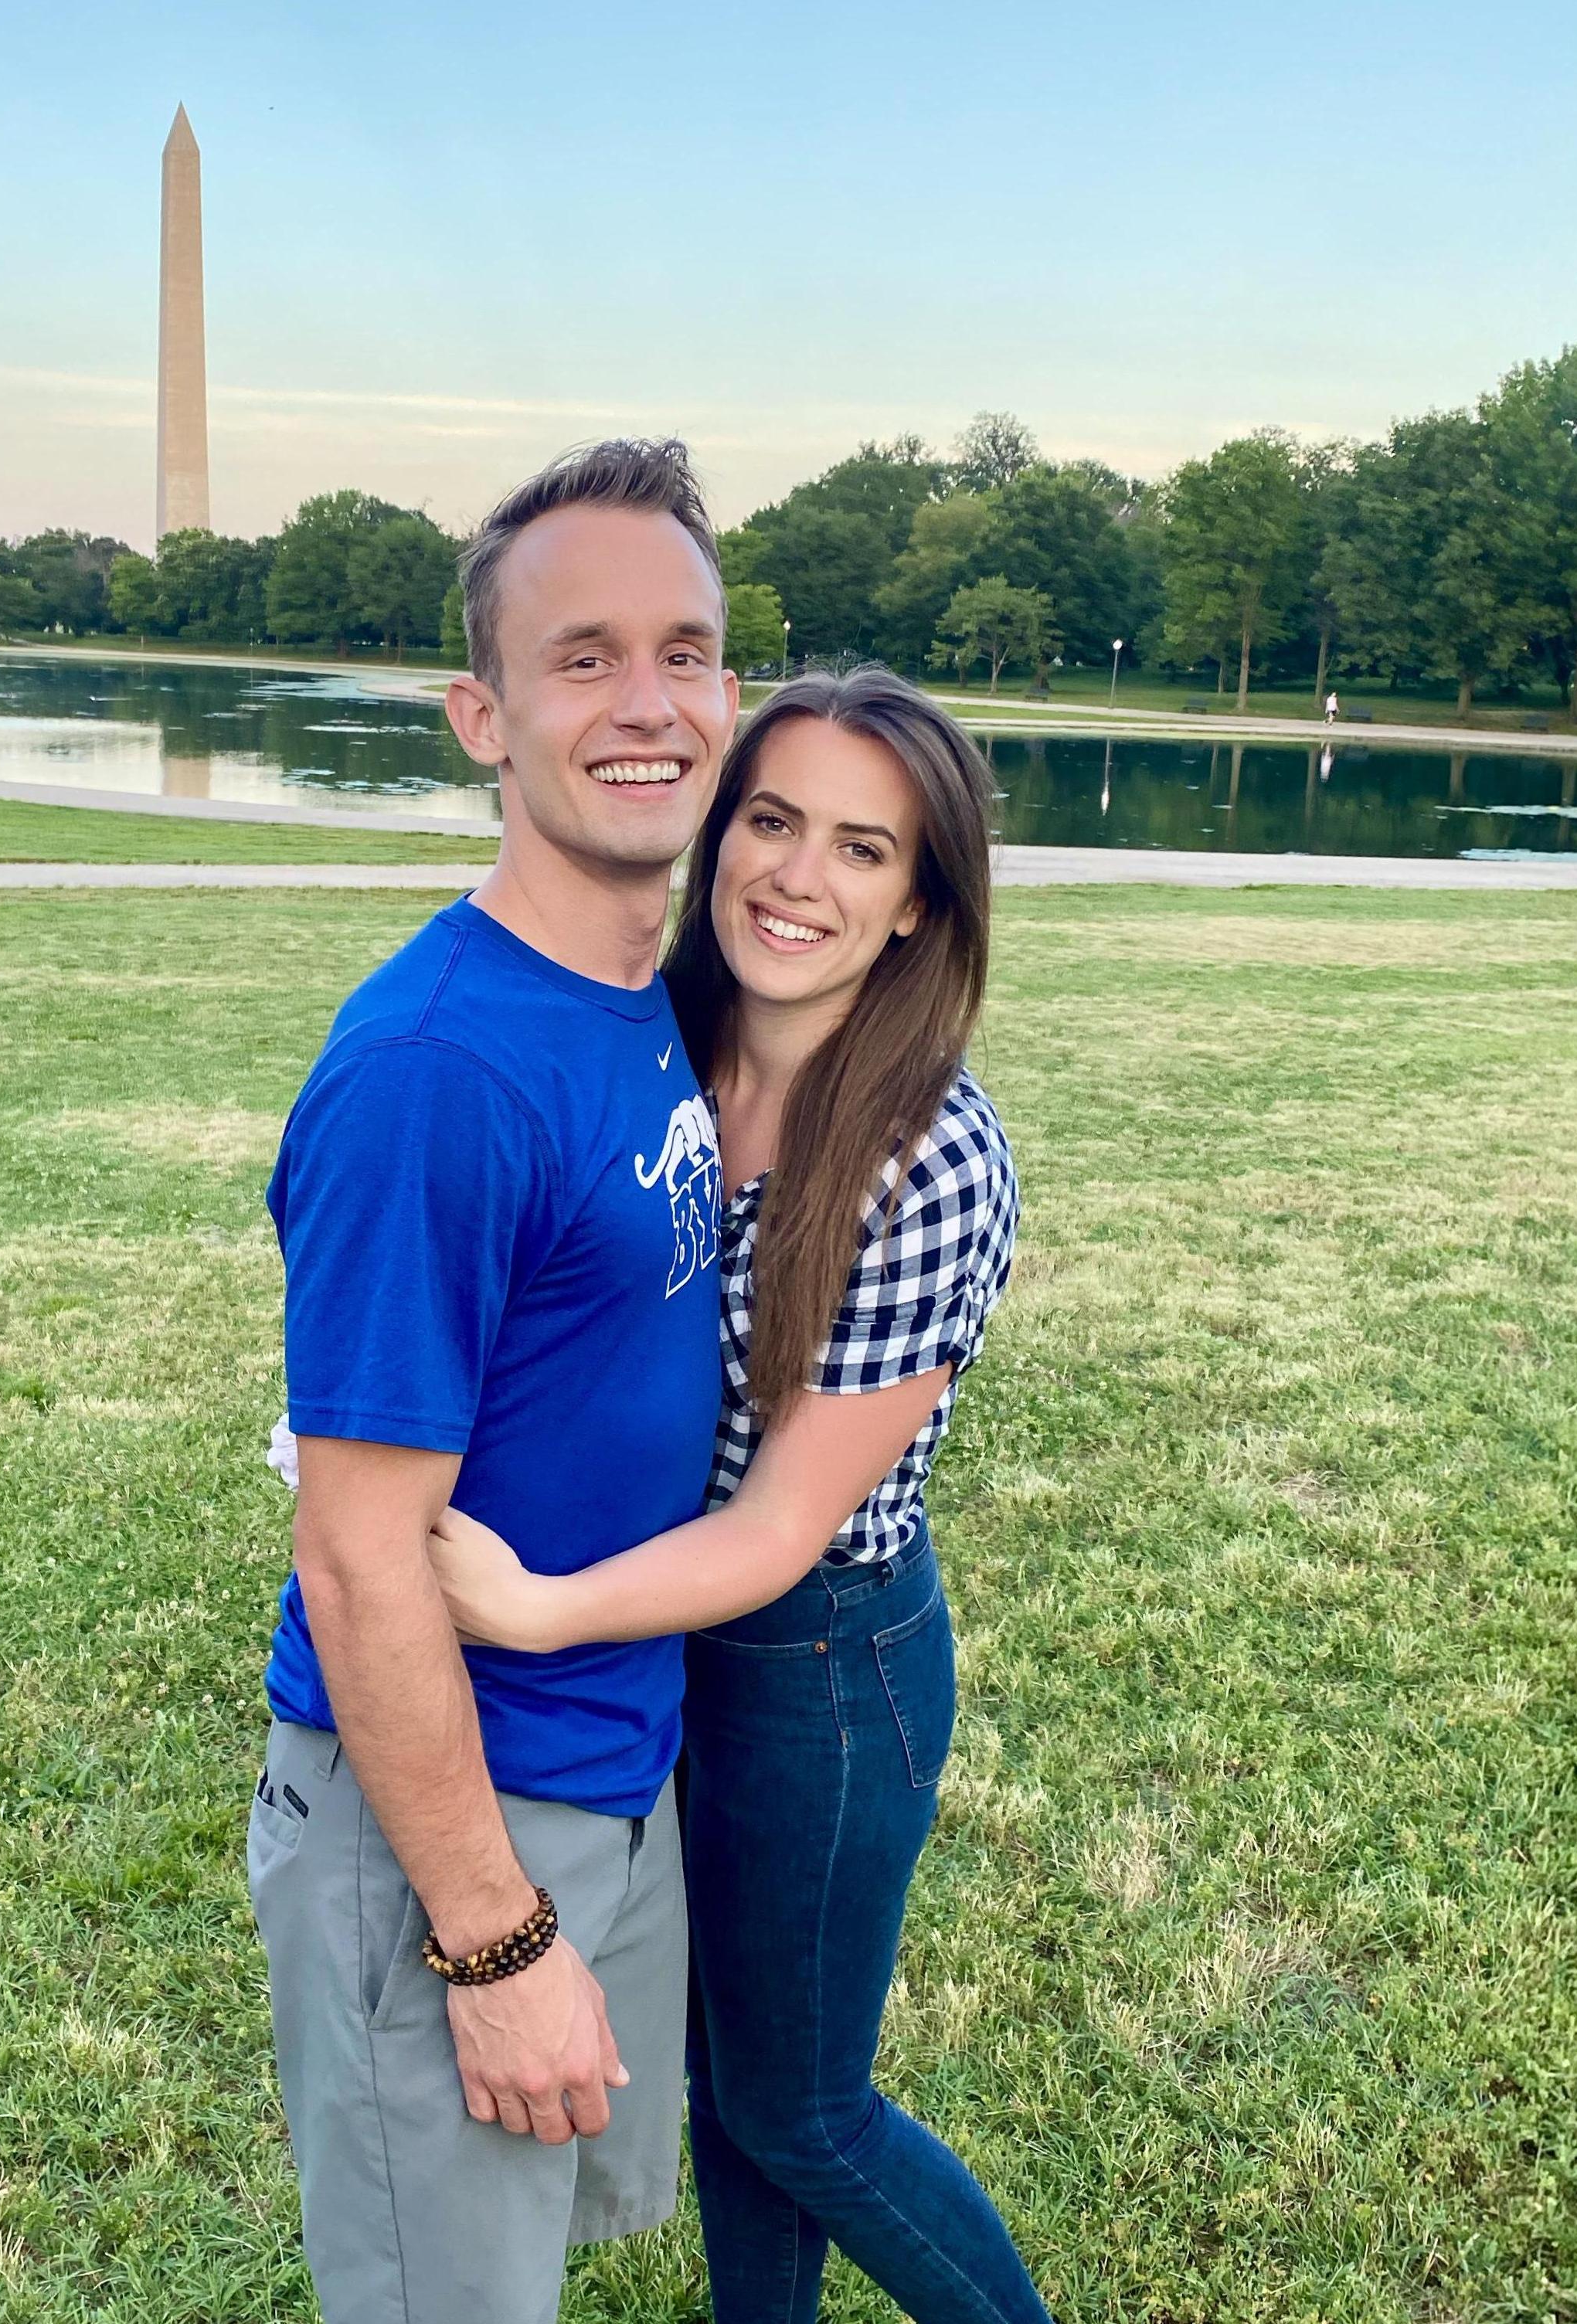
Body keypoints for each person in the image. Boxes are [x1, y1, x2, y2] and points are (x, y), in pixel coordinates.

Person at [429, 668, 1053, 2324]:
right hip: (673, 1642)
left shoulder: (931, 1155)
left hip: (817, 1663)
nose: (798, 876)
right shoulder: (661, 1048)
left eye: (864, 849)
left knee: (804, 2104)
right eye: (771, 821)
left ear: (919, 900)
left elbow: (780, 1527)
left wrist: (540, 1607)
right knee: (728, 2083)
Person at [248, 439, 742, 2323]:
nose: (650, 704)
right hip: (454, 1827)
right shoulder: (437, 1071)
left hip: (615, 1765)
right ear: (484, 715)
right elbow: (359, 1559)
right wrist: (491, 1933)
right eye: (586, 656)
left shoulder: (636, 1004)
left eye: (687, 653)